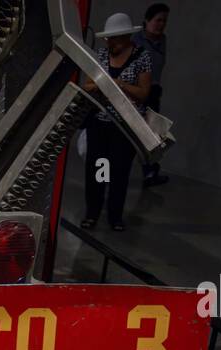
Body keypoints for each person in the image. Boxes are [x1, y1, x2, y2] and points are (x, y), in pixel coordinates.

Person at [81, 13, 153, 231]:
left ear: (125, 38)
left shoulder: (142, 56)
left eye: (114, 39)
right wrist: (102, 85)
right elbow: (89, 85)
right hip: (101, 123)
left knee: (119, 172)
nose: (109, 43)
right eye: (108, 39)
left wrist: (118, 84)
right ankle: (92, 212)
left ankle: (115, 216)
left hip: (125, 127)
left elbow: (143, 93)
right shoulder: (102, 55)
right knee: (97, 170)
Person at [135, 3, 170, 186]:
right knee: (134, 132)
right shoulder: (136, 41)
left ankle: (150, 172)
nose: (161, 24)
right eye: (157, 20)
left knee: (154, 134)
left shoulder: (162, 40)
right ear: (147, 20)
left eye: (164, 21)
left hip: (154, 91)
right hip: (137, 92)